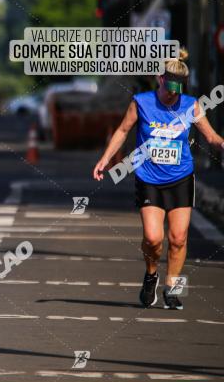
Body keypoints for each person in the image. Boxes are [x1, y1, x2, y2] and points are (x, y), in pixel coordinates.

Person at [93, 50, 224, 310]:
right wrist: (105, 159)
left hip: (181, 178)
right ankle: (151, 275)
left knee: (178, 238)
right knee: (153, 239)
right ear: (159, 79)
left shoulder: (191, 105)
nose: (172, 95)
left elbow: (211, 137)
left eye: (177, 90)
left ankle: (172, 290)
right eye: (169, 88)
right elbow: (122, 130)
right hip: (149, 178)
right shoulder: (141, 102)